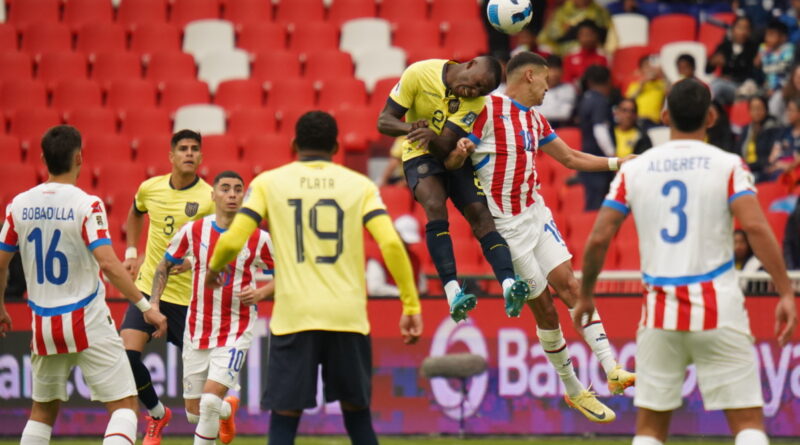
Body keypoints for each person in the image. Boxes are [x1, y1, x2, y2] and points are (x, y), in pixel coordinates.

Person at [575, 78, 798, 445]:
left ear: (664, 116)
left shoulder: (635, 169)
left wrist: (586, 295)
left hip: (660, 312)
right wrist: (786, 293)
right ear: (711, 116)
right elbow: (756, 226)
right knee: (748, 425)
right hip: (719, 307)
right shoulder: (728, 164)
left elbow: (599, 237)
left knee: (649, 430)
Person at [206, 111, 423, 445]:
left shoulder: (268, 182)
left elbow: (234, 239)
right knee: (358, 418)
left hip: (294, 318)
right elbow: (391, 243)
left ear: (294, 144)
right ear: (336, 147)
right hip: (347, 319)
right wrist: (410, 304)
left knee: (284, 420)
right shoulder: (360, 185)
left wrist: (214, 267)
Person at [456, 51, 637, 423]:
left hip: (535, 213)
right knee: (546, 311)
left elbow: (569, 158)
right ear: (528, 77)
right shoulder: (486, 109)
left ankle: (612, 368)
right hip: (505, 228)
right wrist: (459, 154)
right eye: (545, 79)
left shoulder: (535, 119)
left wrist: (619, 162)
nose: (549, 87)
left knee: (571, 286)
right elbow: (454, 158)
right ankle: (573, 389)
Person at [0, 125, 167, 444]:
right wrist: (146, 307)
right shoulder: (85, 204)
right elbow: (108, 263)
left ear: (42, 158)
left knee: (42, 411)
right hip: (86, 319)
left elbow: (1, 264)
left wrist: (0, 307)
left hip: (42, 322)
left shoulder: (18, 205)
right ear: (79, 157)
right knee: (125, 407)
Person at [377, 57, 530, 321]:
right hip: (418, 154)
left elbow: (446, 144)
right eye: (475, 85)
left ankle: (508, 285)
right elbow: (384, 121)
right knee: (435, 207)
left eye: (481, 92)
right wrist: (410, 128)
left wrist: (432, 137)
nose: (473, 93)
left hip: (452, 155)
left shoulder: (475, 102)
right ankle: (452, 292)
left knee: (481, 217)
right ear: (469, 65)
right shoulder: (419, 74)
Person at [150, 170, 274, 445]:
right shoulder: (195, 230)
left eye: (237, 189)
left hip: (235, 330)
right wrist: (154, 303)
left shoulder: (258, 237)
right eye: (226, 188)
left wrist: (263, 291)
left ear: (245, 196)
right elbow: (165, 264)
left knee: (207, 403)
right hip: (196, 330)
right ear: (213, 194)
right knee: (195, 412)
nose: (232, 194)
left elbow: (287, 271)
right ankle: (227, 410)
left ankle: (218, 408)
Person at [119, 129, 214, 444]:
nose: (189, 153)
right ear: (171, 156)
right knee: (126, 358)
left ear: (201, 157)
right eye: (183, 149)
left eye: (195, 149)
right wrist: (132, 253)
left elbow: (221, 242)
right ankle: (158, 414)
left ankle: (221, 412)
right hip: (149, 290)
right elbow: (135, 213)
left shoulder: (209, 197)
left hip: (190, 300)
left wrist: (195, 261)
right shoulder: (151, 188)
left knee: (204, 392)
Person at [577, 65, 616, 210]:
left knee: (592, 201)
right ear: (608, 81)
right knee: (598, 205)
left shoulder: (585, 99)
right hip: (599, 162)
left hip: (588, 159)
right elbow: (600, 129)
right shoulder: (599, 101)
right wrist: (612, 156)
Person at [366, 214, 427, 297]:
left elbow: (422, 287)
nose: (406, 244)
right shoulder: (378, 257)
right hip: (386, 306)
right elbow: (375, 288)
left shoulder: (414, 258)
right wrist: (404, 293)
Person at [706, 16, 760, 105]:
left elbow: (753, 75)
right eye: (740, 28)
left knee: (717, 86)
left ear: (750, 32)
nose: (743, 32)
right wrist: (712, 62)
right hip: (723, 85)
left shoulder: (753, 49)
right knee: (718, 98)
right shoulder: (724, 46)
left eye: (746, 28)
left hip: (740, 87)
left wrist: (757, 65)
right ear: (733, 29)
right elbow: (708, 70)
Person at [537, 0, 616, 56]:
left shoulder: (600, 12)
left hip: (594, 50)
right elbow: (550, 35)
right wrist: (564, 30)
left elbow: (608, 33)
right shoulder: (562, 11)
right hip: (563, 50)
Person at [736, 96, 781, 181]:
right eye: (753, 109)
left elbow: (768, 158)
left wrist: (748, 166)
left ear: (766, 110)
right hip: (744, 169)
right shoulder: (746, 129)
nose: (756, 112)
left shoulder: (773, 129)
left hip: (761, 171)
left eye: (759, 108)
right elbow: (737, 151)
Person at [562, 20, 608, 85]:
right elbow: (566, 80)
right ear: (578, 36)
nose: (587, 38)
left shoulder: (604, 56)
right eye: (583, 35)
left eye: (589, 34)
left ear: (597, 35)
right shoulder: (570, 56)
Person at [536, 55, 577, 128]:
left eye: (557, 70)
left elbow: (565, 114)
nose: (554, 74)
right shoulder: (534, 88)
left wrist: (539, 113)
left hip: (559, 130)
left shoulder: (568, 89)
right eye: (551, 70)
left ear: (562, 71)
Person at [625, 55, 666, 127]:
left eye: (652, 65)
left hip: (655, 122)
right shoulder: (635, 85)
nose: (650, 69)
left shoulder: (662, 84)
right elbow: (628, 100)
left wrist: (662, 73)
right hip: (638, 120)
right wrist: (642, 83)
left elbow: (670, 93)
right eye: (647, 66)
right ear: (641, 69)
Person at [755, 20, 794, 94]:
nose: (767, 38)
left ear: (783, 38)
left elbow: (783, 67)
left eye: (771, 35)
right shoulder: (763, 48)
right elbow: (757, 65)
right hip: (766, 87)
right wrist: (758, 61)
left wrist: (765, 67)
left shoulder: (788, 48)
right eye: (766, 34)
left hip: (783, 88)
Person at [767, 97, 800, 177]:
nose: (788, 113)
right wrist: (775, 164)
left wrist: (789, 165)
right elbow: (773, 156)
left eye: (791, 110)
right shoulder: (784, 131)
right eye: (787, 110)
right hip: (778, 170)